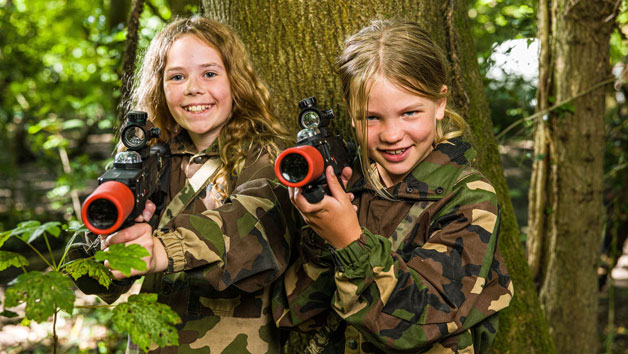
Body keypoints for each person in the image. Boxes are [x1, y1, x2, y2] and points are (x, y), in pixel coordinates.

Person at [272, 19, 513, 353]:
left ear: (440, 104)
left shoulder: (468, 197)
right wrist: (320, 230)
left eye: (410, 113)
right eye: (372, 117)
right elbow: (300, 315)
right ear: (351, 113)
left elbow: (419, 324)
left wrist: (348, 241)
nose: (391, 134)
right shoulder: (350, 183)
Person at [74, 16, 299, 353]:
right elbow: (85, 270)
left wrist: (160, 252)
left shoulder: (264, 159)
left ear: (236, 81)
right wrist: (109, 247)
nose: (194, 88)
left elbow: (253, 225)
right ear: (160, 87)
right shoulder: (149, 160)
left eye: (209, 73)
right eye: (177, 76)